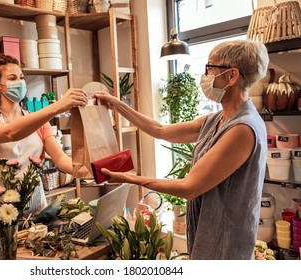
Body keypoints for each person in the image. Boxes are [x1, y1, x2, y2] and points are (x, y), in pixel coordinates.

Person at [95, 40, 269, 259]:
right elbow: (160, 130)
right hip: (208, 238)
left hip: (225, 247)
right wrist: (117, 105)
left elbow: (189, 188)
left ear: (232, 76)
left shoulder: (242, 128)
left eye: (210, 68)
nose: (204, 76)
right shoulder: (217, 119)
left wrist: (130, 179)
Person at [0, 54, 87, 216]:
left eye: (21, 77)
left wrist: (90, 170)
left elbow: (61, 159)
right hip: (1, 203)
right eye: (12, 78)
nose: (19, 82)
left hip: (35, 199)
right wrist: (57, 107)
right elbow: (10, 132)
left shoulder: (37, 120)